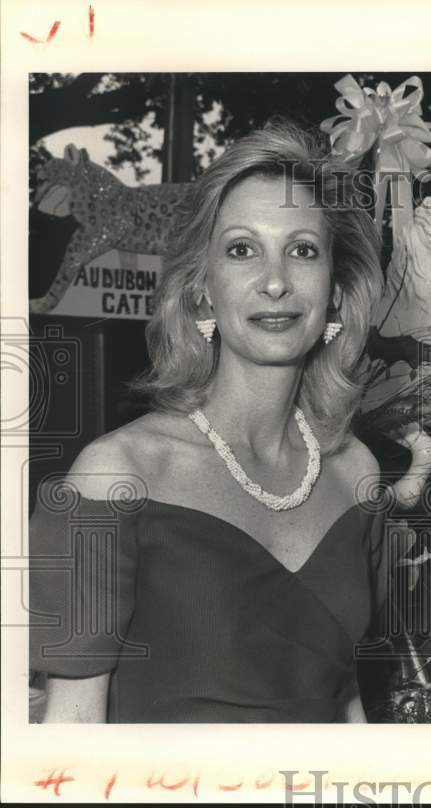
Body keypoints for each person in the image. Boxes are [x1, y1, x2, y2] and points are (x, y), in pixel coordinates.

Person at [29, 122, 389, 723]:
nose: (275, 282)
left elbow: (344, 693)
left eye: (302, 250)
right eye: (242, 249)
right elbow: (72, 731)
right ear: (202, 289)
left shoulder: (357, 474)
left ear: (335, 289)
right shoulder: (117, 475)